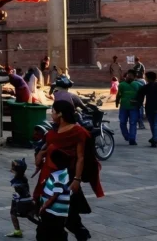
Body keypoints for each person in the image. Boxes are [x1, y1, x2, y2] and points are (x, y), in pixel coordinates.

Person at [35, 101, 103, 241]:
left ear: (60, 113)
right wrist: (41, 154)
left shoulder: (78, 132)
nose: (52, 114)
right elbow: (48, 148)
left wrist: (77, 179)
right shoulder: (53, 131)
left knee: (68, 214)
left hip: (68, 177)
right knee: (49, 214)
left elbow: (81, 157)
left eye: (53, 111)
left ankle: (80, 234)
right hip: (49, 175)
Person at [36, 150, 72, 241]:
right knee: (57, 232)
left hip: (53, 211)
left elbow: (54, 196)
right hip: (61, 211)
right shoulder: (66, 172)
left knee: (45, 233)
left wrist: (43, 207)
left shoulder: (57, 176)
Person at [5, 158, 35, 239]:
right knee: (30, 214)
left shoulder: (15, 179)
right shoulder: (23, 177)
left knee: (13, 214)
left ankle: (17, 231)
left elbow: (17, 189)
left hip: (20, 201)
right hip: (28, 199)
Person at [115, 70, 142, 145]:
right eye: (128, 75)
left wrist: (140, 103)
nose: (129, 77)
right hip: (124, 106)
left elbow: (142, 94)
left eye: (131, 75)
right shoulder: (122, 85)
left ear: (134, 77)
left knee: (133, 123)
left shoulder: (138, 85)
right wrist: (117, 102)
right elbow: (119, 94)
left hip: (134, 107)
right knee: (122, 122)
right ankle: (127, 136)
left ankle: (132, 139)